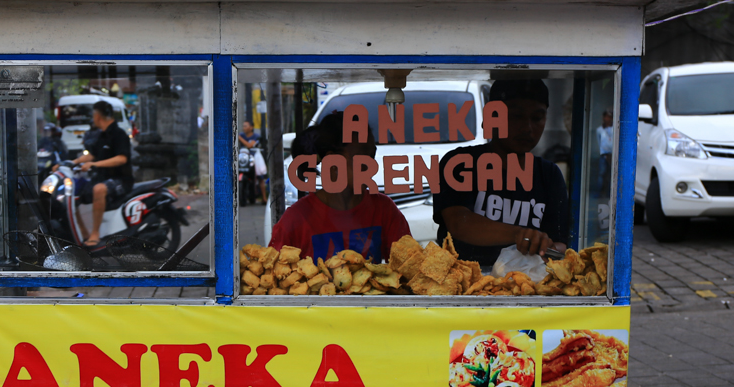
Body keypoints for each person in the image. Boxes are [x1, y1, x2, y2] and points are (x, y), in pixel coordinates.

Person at [432, 78, 569, 266]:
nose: (527, 128)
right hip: (463, 285)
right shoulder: (460, 163)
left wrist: (547, 247)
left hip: (526, 287)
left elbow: (560, 244)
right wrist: (519, 234)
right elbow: (458, 223)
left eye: (537, 118)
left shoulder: (549, 174)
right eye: (515, 116)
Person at [269, 111, 410, 263]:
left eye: (372, 155)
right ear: (333, 161)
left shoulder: (384, 210)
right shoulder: (296, 219)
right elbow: (272, 277)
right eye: (363, 157)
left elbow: (408, 266)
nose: (372, 165)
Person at [66, 101, 133, 247]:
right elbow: (92, 155)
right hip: (101, 177)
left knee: (99, 189)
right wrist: (72, 162)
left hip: (120, 180)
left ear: (98, 116)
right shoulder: (101, 136)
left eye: (93, 114)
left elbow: (122, 158)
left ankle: (95, 234)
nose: (92, 118)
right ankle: (83, 235)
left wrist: (94, 164)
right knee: (73, 194)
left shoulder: (119, 134)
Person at [238, 120, 268, 204]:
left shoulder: (256, 136)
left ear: (251, 127)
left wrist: (240, 138)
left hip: (254, 158)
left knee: (260, 177)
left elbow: (249, 145)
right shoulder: (241, 135)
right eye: (243, 126)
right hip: (243, 159)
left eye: (246, 126)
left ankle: (264, 198)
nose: (244, 128)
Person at [596, 110, 613, 197]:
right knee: (601, 174)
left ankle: (609, 194)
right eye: (606, 116)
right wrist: (603, 153)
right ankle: (598, 193)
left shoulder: (614, 129)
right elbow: (599, 142)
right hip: (604, 155)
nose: (608, 119)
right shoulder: (599, 130)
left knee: (611, 174)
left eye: (610, 117)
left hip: (612, 155)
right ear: (603, 118)